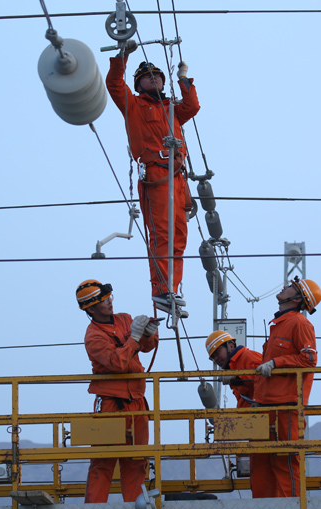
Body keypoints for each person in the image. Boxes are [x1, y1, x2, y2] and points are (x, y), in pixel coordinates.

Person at [106, 40, 201, 316]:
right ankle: (160, 289)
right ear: (139, 84)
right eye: (147, 77)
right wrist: (122, 57)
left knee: (179, 235)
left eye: (157, 75)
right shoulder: (133, 105)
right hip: (156, 173)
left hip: (178, 177)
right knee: (162, 232)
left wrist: (183, 79)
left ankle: (171, 286)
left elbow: (193, 106)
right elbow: (114, 84)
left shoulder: (172, 108)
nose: (154, 78)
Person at [76, 279, 160, 503]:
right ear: (91, 309)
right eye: (104, 301)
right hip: (111, 405)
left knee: (137, 462)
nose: (110, 303)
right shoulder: (93, 336)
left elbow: (147, 346)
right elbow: (117, 362)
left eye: (110, 298)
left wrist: (149, 334)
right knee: (103, 462)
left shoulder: (124, 319)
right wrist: (134, 338)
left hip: (137, 403)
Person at [251, 276, 321, 498]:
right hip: (264, 405)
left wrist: (276, 363)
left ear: (299, 299)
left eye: (292, 287)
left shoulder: (300, 323)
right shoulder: (279, 324)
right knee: (260, 462)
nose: (285, 287)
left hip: (285, 407)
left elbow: (309, 359)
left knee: (285, 461)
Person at [205, 330, 261, 408]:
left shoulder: (248, 356)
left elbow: (266, 378)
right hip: (251, 417)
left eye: (217, 352)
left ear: (231, 346)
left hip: (264, 415)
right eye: (213, 357)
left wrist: (237, 377)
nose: (216, 358)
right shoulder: (233, 368)